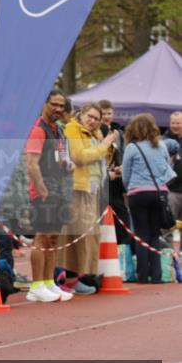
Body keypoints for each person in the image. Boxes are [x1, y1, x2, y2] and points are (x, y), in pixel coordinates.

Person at [55, 103, 118, 294]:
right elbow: (80, 156)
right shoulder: (73, 130)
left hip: (92, 189)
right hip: (77, 189)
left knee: (87, 237)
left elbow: (98, 159)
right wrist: (105, 144)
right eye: (89, 116)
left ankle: (72, 277)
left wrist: (106, 148)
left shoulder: (94, 134)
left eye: (96, 119)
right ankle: (70, 280)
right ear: (81, 115)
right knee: (77, 235)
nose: (92, 121)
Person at [25, 91, 74, 302]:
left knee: (53, 239)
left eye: (61, 106)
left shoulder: (60, 131)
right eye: (54, 104)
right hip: (44, 192)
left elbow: (63, 158)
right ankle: (35, 286)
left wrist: (68, 165)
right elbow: (31, 162)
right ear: (45, 104)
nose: (57, 109)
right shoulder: (38, 130)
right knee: (42, 237)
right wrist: (42, 189)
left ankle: (49, 282)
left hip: (60, 190)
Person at [122, 113, 177, 284]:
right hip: (159, 193)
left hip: (138, 193)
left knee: (141, 235)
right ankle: (157, 275)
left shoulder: (132, 148)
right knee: (154, 234)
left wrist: (129, 188)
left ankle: (143, 275)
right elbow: (166, 166)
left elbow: (126, 173)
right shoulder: (161, 146)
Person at [98, 100, 131, 246]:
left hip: (117, 179)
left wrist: (122, 169)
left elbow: (122, 153)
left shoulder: (119, 132)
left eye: (109, 113)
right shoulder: (95, 132)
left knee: (122, 218)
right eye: (103, 113)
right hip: (100, 180)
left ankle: (123, 250)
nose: (106, 116)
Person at [163, 110, 182, 223]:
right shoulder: (164, 141)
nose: (175, 126)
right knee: (168, 224)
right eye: (173, 123)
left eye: (178, 123)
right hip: (171, 190)